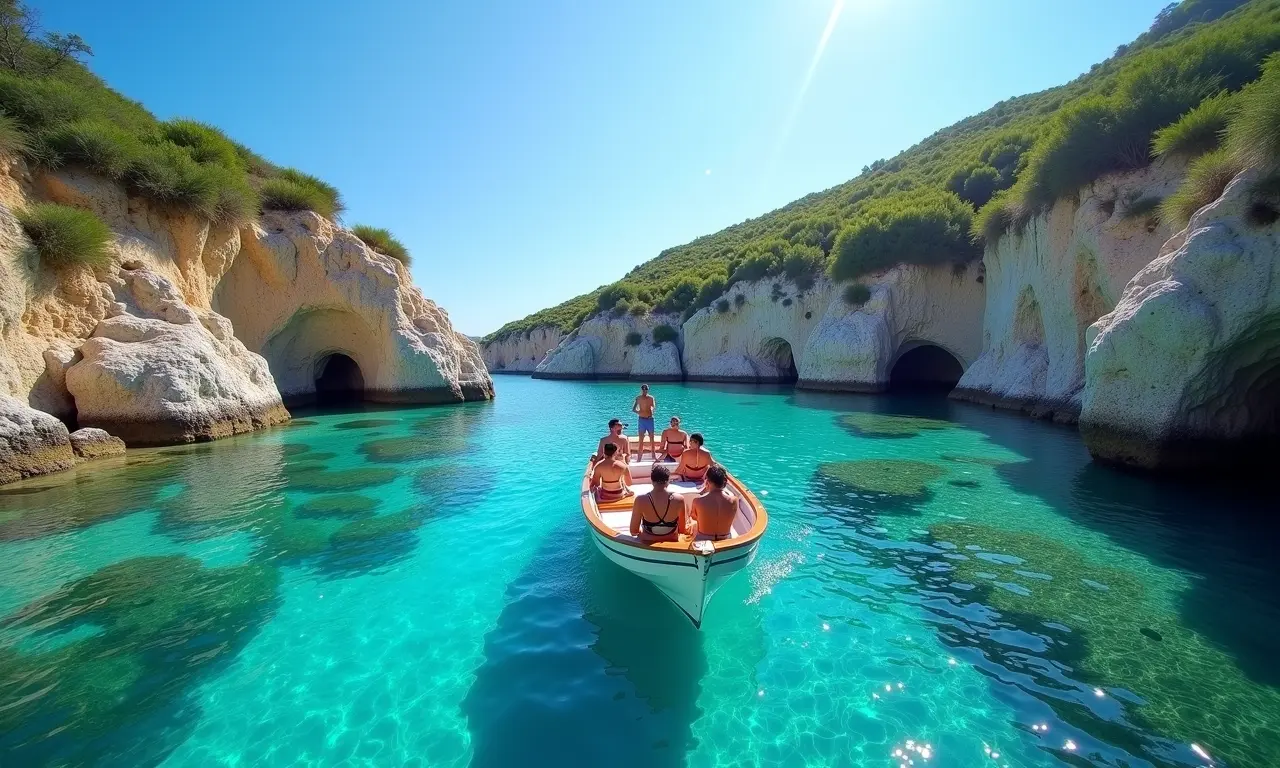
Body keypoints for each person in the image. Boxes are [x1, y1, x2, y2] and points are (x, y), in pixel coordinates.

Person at [630, 464, 685, 542]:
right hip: (671, 539)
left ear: (652, 481)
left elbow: (633, 531)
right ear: (668, 481)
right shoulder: (679, 499)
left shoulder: (640, 500)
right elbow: (682, 530)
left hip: (648, 540)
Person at [690, 464, 737, 540]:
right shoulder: (734, 500)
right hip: (726, 538)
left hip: (703, 538)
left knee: (692, 524)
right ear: (724, 482)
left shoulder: (697, 501)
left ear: (707, 482)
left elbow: (694, 517)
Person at [632, 384, 656, 460]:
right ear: (641, 390)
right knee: (641, 439)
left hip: (649, 420)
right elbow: (633, 409)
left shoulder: (651, 398)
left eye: (646, 389)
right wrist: (639, 412)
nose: (645, 391)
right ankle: (639, 458)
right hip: (641, 420)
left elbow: (653, 406)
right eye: (643, 389)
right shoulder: (638, 398)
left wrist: (651, 410)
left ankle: (653, 456)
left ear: (648, 390)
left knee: (652, 438)